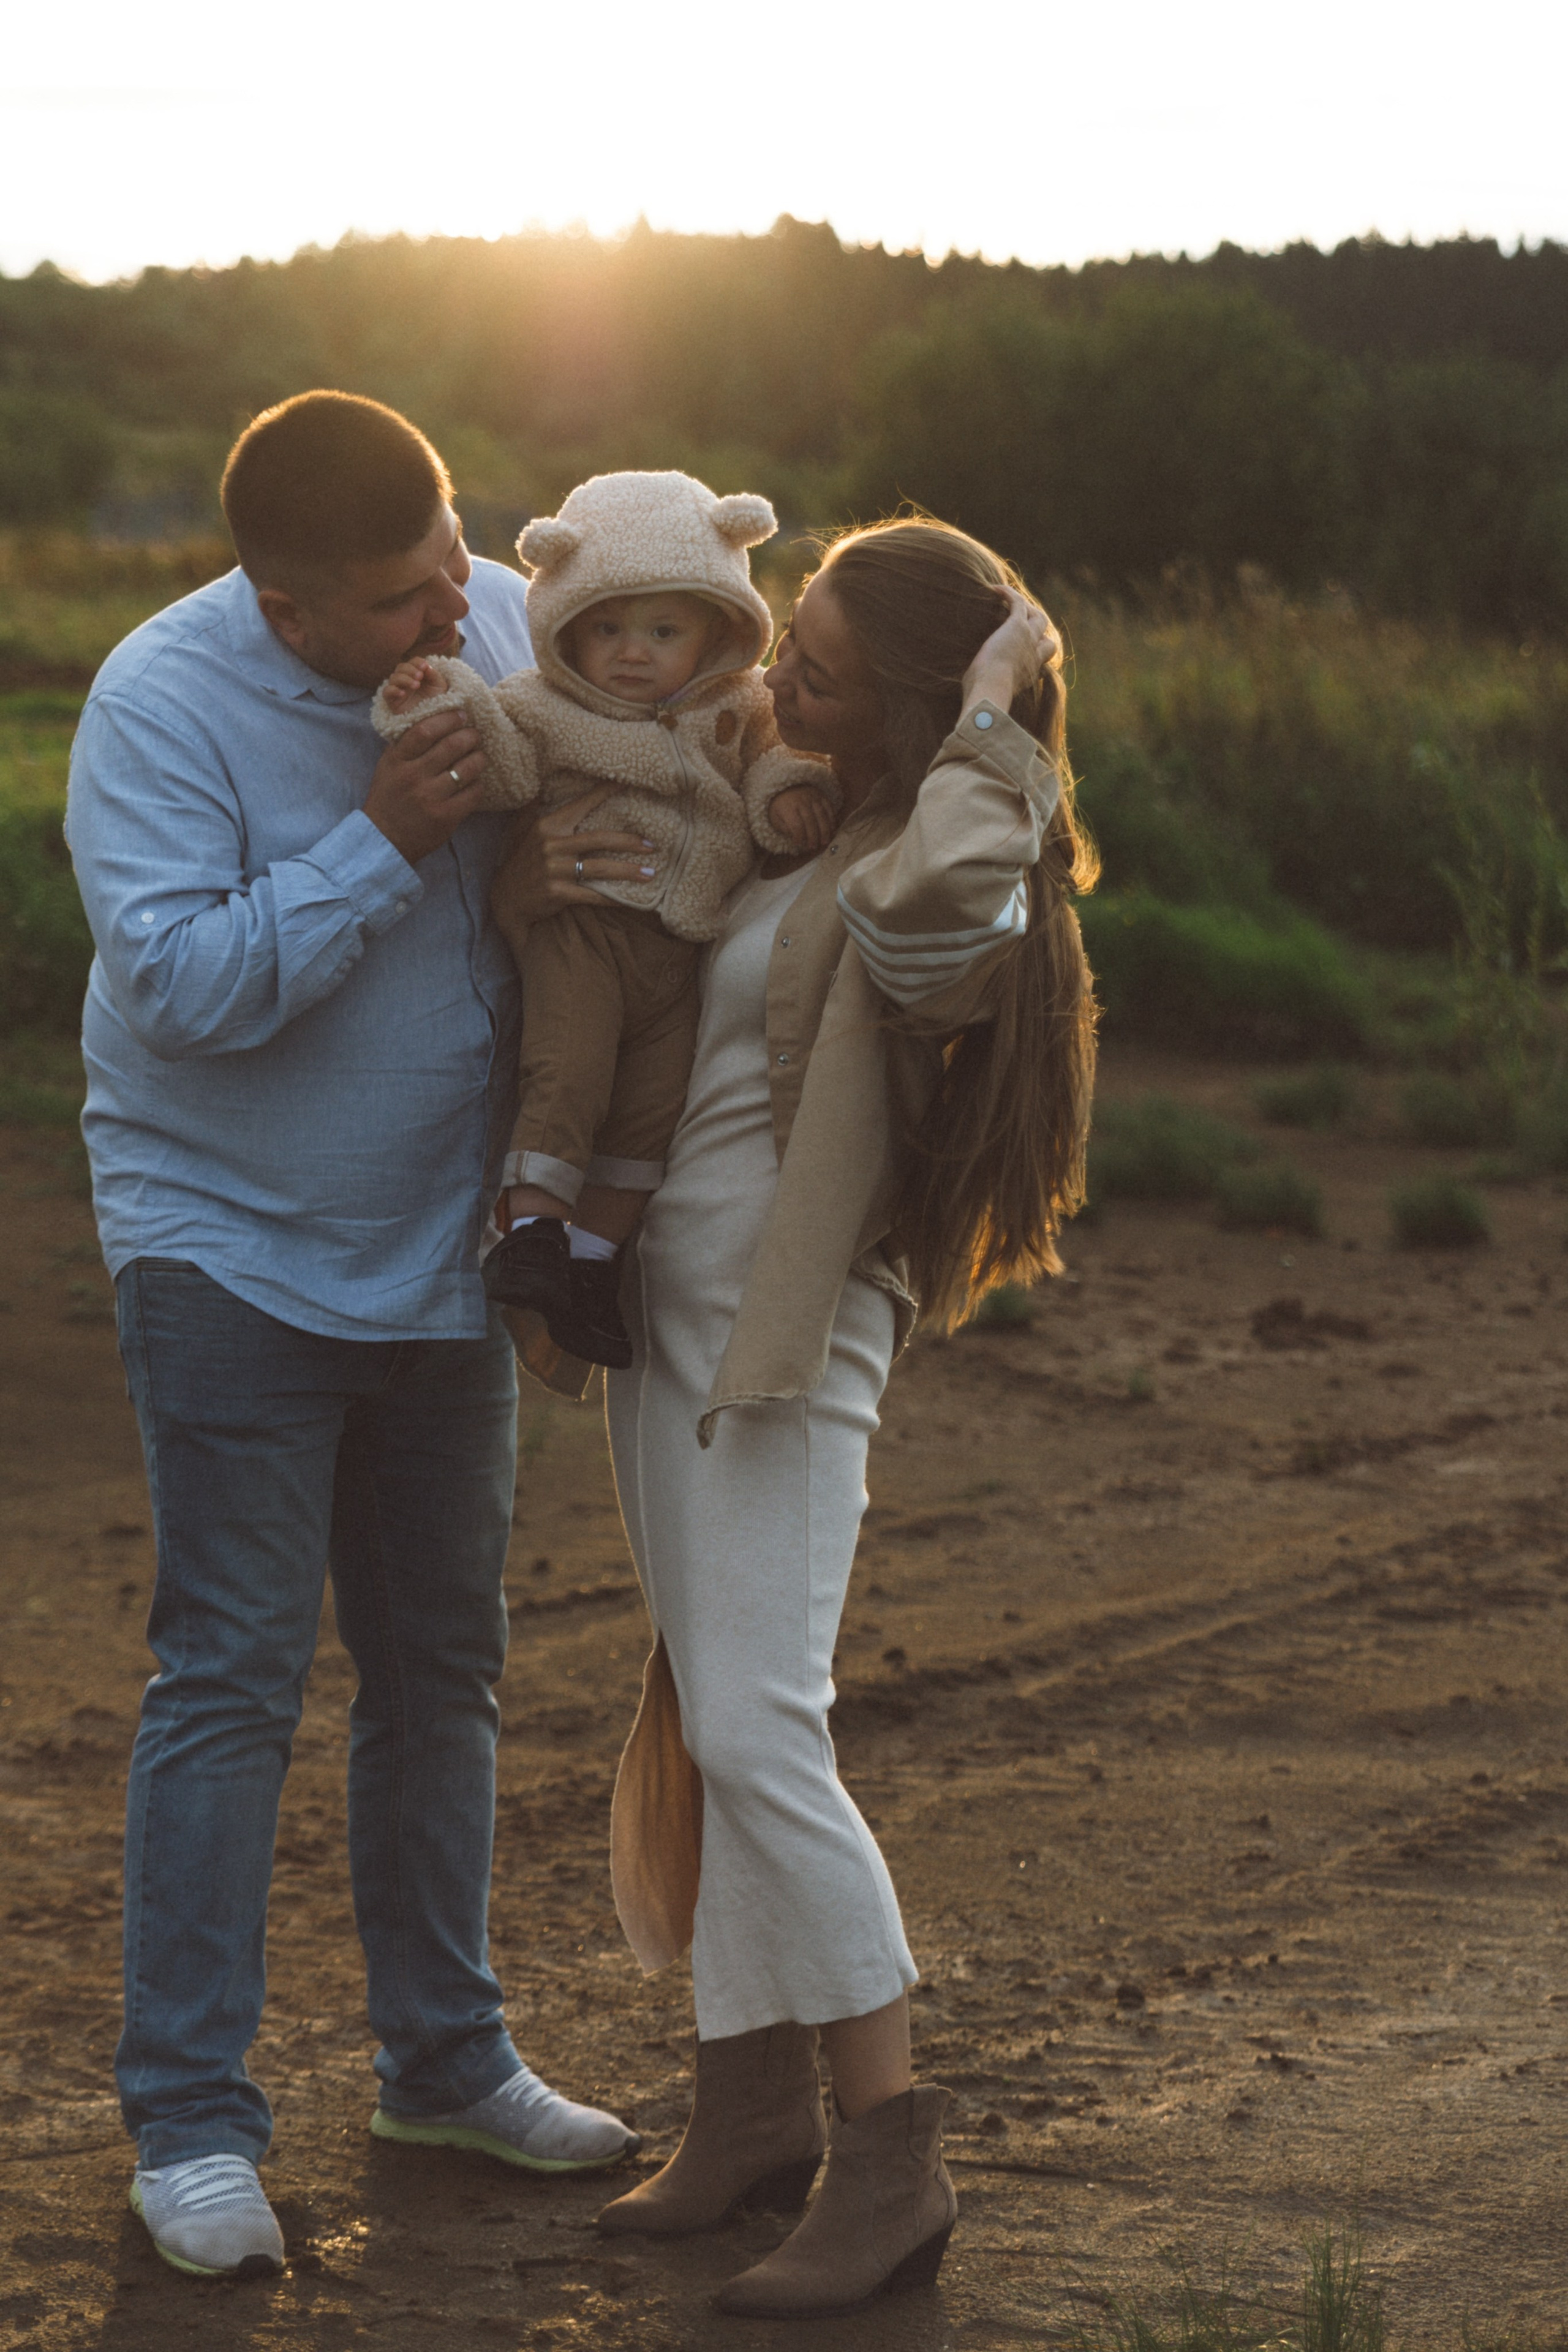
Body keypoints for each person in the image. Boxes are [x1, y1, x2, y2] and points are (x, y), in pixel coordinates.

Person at [64, 390, 641, 2283]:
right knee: (232, 1675)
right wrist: (384, 840)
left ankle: (445, 2064)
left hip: (443, 1251)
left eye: (451, 562)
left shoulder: (484, 615)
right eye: (399, 602)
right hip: (227, 1245)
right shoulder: (158, 708)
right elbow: (177, 992)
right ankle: (194, 2125)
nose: (447, 614)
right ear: (284, 606)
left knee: (442, 1669)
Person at [567, 514, 1100, 2318]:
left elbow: (953, 897)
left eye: (819, 671)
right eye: (789, 641)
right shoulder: (805, 813)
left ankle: (893, 2153)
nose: (776, 680)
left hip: (785, 1340)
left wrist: (1000, 715)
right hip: (672, 1324)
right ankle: (747, 2116)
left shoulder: (938, 861)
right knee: (699, 1708)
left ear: (919, 712)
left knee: (759, 1725)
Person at [371, 468, 836, 1372]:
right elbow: (500, 769)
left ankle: (590, 1266)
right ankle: (530, 1228)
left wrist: (789, 801)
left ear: (717, 630)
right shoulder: (545, 710)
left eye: (665, 631)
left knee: (651, 1113)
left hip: (681, 950)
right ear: (566, 629)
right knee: (570, 1074)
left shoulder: (738, 710)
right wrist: (436, 696)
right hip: (582, 932)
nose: (634, 653)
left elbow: (773, 769)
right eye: (608, 629)